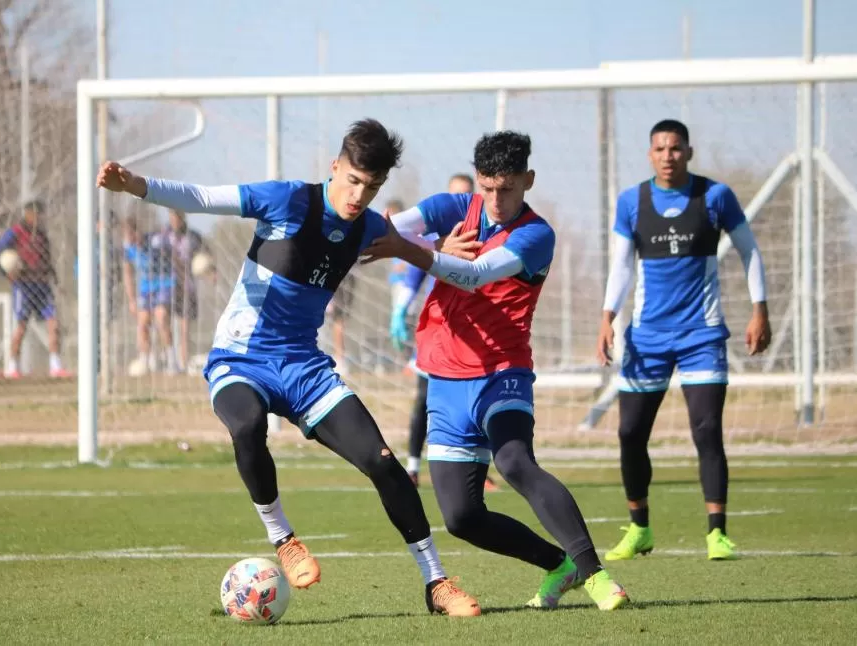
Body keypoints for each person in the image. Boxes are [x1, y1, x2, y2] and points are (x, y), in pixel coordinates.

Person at [96, 118, 480, 617]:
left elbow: (404, 237)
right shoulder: (286, 200)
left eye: (372, 186)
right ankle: (283, 537)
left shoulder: (366, 226)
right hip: (241, 358)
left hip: (304, 369)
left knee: (383, 462)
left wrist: (435, 252)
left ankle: (436, 583)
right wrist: (136, 186)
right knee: (248, 426)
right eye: (354, 181)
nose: (359, 195)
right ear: (335, 167)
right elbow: (202, 197)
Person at [363, 130, 629, 611]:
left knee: (513, 462)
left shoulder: (536, 235)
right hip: (443, 379)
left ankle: (594, 573)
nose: (495, 199)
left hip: (501, 372)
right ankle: (558, 565)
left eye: (506, 188)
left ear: (527, 180)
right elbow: (381, 230)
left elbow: (474, 273)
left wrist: (407, 248)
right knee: (462, 517)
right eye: (487, 187)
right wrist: (375, 234)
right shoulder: (454, 207)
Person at [596, 119, 771, 562]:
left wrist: (759, 309)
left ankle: (717, 533)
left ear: (688, 152)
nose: (668, 156)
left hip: (701, 335)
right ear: (649, 154)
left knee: (707, 430)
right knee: (630, 432)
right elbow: (621, 266)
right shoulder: (631, 202)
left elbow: (749, 250)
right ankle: (639, 528)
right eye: (660, 148)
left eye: (675, 148)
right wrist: (607, 318)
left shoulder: (715, 196)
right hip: (647, 337)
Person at [389, 173, 500, 492]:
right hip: (438, 331)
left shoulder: (491, 237)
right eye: (453, 195)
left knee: (478, 400)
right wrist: (400, 310)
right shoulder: (435, 240)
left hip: (478, 332)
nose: (459, 202)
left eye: (465, 195)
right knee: (425, 398)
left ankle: (480, 468)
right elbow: (413, 273)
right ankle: (412, 466)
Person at [0, 199, 69, 379]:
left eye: (40, 215)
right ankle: (12, 367)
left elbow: (47, 258)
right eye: (35, 214)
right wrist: (8, 271)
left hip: (42, 285)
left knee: (53, 324)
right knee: (21, 326)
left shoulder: (42, 235)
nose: (38, 218)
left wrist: (54, 278)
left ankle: (55, 366)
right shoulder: (16, 232)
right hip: (24, 285)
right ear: (28, 214)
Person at [121, 216, 180, 375]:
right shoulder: (128, 250)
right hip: (145, 288)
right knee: (143, 322)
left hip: (164, 284)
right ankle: (145, 359)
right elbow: (127, 274)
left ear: (136, 232)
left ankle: (171, 359)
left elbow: (172, 254)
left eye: (131, 235)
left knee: (161, 317)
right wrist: (132, 300)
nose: (129, 239)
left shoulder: (154, 241)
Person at [165, 209, 206, 372]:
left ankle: (183, 362)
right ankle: (169, 359)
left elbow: (205, 256)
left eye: (177, 217)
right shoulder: (164, 235)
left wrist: (209, 271)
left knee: (184, 326)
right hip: (167, 286)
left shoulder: (193, 236)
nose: (175, 220)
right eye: (172, 217)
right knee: (163, 320)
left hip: (186, 287)